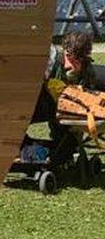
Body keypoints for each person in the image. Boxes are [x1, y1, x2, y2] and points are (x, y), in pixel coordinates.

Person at [24, 31, 98, 165]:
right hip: (37, 105)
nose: (70, 64)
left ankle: (55, 156)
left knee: (65, 148)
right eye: (69, 56)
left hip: (65, 113)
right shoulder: (50, 59)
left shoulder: (87, 71)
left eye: (77, 59)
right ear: (64, 49)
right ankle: (29, 149)